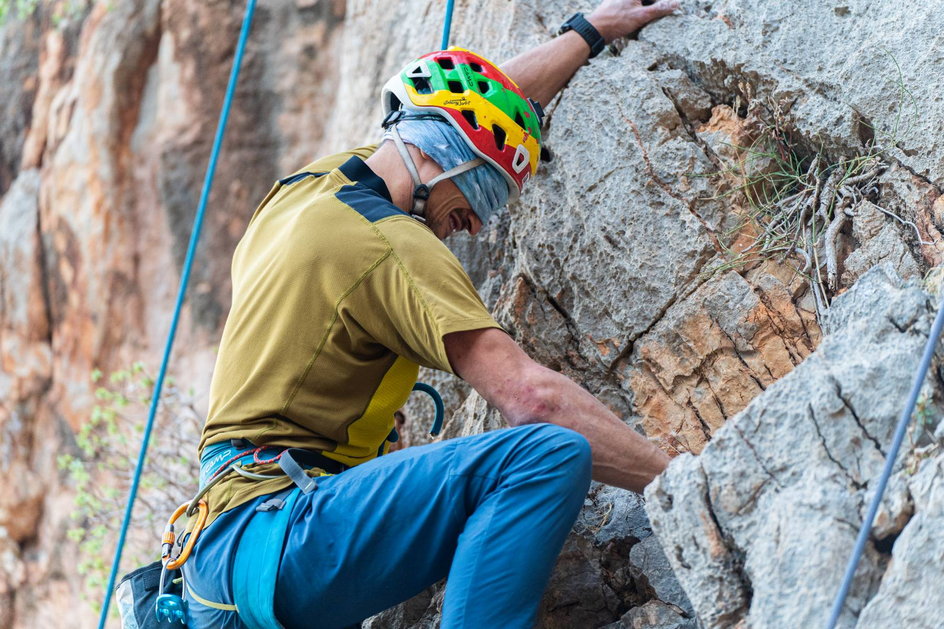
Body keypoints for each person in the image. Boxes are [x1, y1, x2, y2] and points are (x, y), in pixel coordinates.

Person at [180, 2, 678, 628]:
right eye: (482, 193)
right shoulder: (390, 243)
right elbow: (534, 401)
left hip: (224, 558)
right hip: (282, 535)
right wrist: (684, 482)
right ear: (438, 156)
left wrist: (587, 34)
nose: (474, 224)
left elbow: (473, 108)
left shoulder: (307, 190)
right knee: (543, 456)